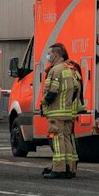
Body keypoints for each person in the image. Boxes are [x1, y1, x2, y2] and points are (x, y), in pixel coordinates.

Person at [39, 43, 83, 179]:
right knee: (67, 139)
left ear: (56, 55)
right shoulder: (68, 69)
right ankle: (69, 168)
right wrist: (68, 102)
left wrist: (44, 102)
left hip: (56, 112)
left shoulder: (55, 70)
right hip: (67, 112)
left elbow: (52, 92)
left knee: (57, 140)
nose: (48, 56)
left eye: (49, 54)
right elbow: (76, 88)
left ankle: (59, 169)